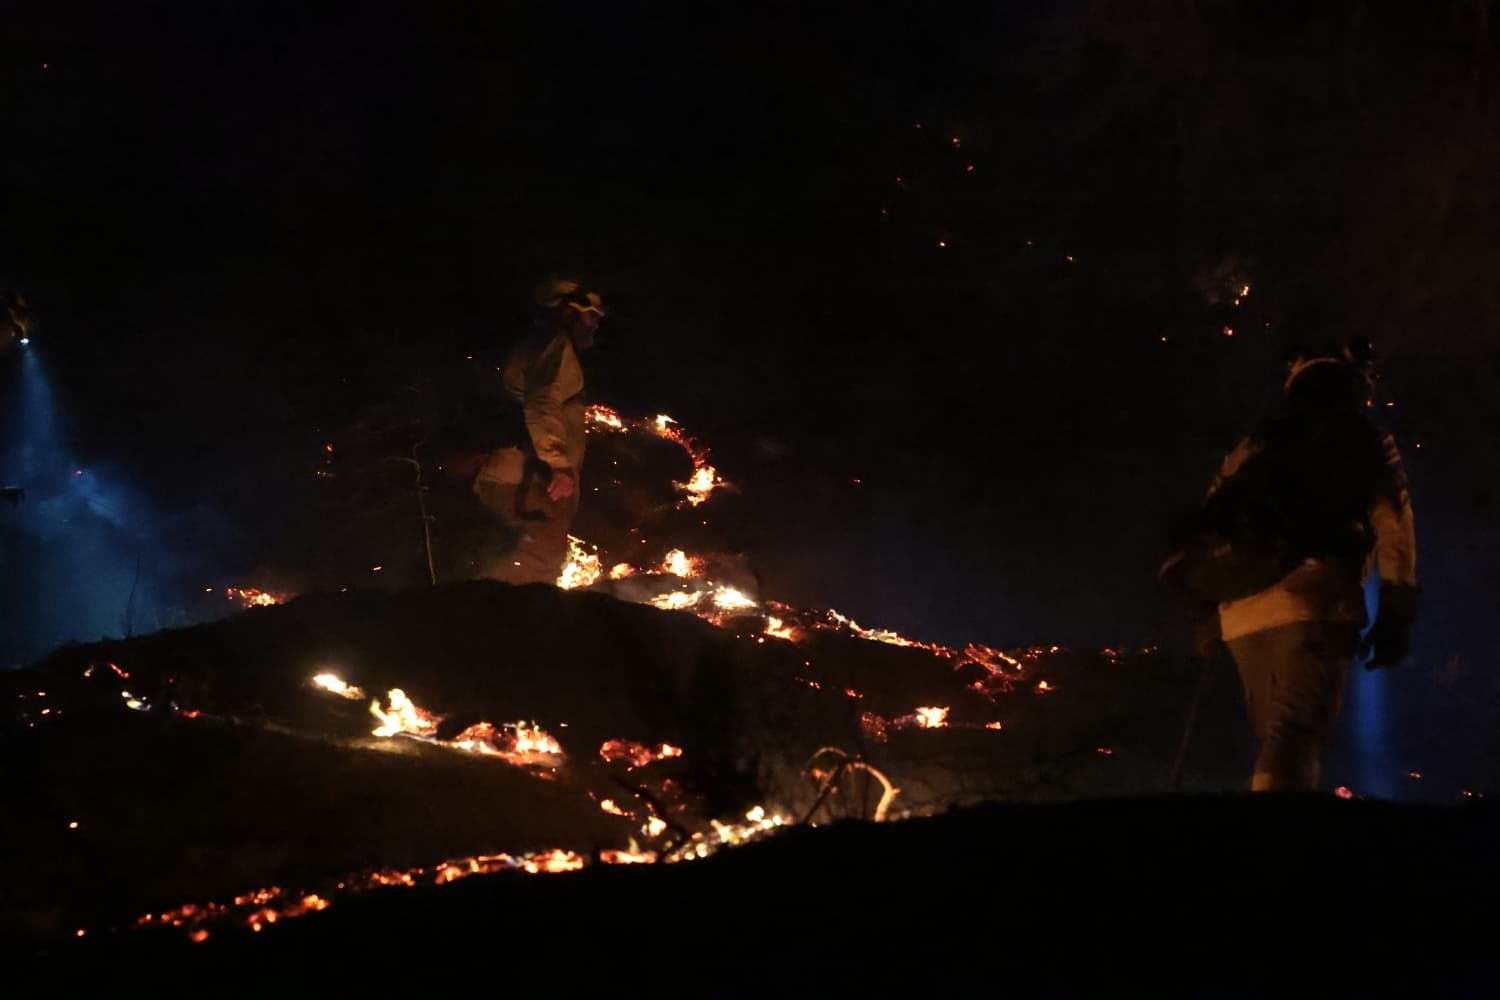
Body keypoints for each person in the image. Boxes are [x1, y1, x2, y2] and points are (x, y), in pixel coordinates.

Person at [1164, 342, 1419, 791]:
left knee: (1275, 738)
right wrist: (1396, 613)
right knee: (1296, 737)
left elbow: (1209, 524)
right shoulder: (1362, 437)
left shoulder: (1256, 442)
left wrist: (1207, 612)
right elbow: (1394, 527)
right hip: (1316, 599)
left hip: (1240, 609)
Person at [466, 278, 604, 584]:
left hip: (519, 480)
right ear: (568, 311)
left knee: (514, 564)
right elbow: (542, 404)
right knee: (532, 569)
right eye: (591, 315)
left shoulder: (537, 343)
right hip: (528, 484)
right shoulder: (555, 344)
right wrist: (559, 463)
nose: (595, 325)